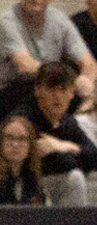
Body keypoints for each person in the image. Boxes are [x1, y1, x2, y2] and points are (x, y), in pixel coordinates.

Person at [0, 0, 96, 121]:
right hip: (9, 92)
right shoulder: (7, 21)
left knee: (78, 96)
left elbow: (89, 63)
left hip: (49, 87)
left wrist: (87, 82)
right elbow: (26, 66)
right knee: (44, 91)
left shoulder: (60, 19)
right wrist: (71, 82)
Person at [23, 61, 94, 206]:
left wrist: (62, 146)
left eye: (63, 89)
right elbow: (62, 163)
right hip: (27, 189)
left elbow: (93, 155)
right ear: (38, 90)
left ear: (72, 93)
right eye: (51, 89)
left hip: (54, 186)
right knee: (75, 177)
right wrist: (75, 151)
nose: (57, 96)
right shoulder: (25, 120)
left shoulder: (68, 121)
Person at [0, 115, 45, 206]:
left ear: (30, 145)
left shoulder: (36, 180)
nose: (15, 144)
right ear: (0, 142)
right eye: (9, 138)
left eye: (22, 139)